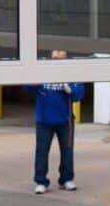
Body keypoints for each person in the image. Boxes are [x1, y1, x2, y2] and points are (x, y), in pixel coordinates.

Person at [25, 50, 85, 194]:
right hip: (44, 120)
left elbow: (79, 94)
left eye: (60, 59)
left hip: (65, 120)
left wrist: (69, 89)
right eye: (54, 58)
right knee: (41, 151)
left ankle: (66, 179)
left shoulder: (72, 74)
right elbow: (27, 87)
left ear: (66, 60)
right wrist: (37, 81)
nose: (56, 61)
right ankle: (41, 181)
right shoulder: (42, 72)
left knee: (67, 150)